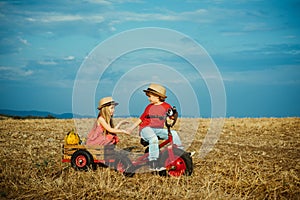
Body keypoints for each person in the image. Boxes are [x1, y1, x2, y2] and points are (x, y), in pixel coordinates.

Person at [127, 83, 183, 171]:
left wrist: (172, 117)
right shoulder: (149, 107)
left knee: (174, 134)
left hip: (158, 130)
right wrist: (131, 128)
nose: (149, 98)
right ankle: (153, 162)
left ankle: (180, 152)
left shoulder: (166, 106)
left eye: (150, 96)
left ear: (157, 96)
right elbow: (141, 119)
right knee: (154, 139)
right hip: (146, 129)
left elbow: (171, 116)